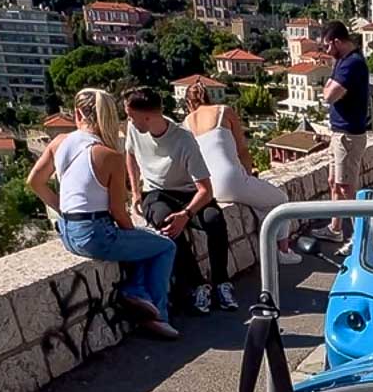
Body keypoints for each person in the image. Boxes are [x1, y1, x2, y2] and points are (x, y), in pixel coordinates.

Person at [27, 88, 178, 340]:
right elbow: (118, 212)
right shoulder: (108, 155)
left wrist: (63, 210)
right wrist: (136, 233)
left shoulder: (58, 142)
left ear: (77, 113)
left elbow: (35, 182)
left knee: (141, 241)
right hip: (95, 235)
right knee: (163, 246)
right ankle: (157, 314)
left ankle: (138, 291)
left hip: (68, 232)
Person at [124, 86, 237, 315]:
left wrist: (186, 215)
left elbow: (206, 189)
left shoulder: (183, 140)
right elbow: (130, 154)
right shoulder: (134, 129)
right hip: (156, 193)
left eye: (131, 116)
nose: (129, 121)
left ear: (147, 116)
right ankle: (197, 285)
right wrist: (135, 192)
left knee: (214, 219)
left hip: (187, 193)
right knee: (166, 224)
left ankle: (221, 282)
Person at [182, 82, 301, 266]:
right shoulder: (224, 111)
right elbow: (243, 151)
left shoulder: (186, 124)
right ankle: (283, 252)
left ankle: (268, 250)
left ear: (189, 104)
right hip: (231, 180)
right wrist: (248, 175)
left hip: (208, 188)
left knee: (260, 205)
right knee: (281, 199)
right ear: (209, 98)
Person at [308, 20, 369, 257]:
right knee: (335, 182)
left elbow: (329, 95)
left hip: (348, 136)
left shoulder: (351, 64)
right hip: (339, 133)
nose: (325, 51)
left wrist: (328, 87)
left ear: (336, 41)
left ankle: (359, 237)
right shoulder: (342, 62)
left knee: (346, 188)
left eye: (326, 46)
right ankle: (335, 229)